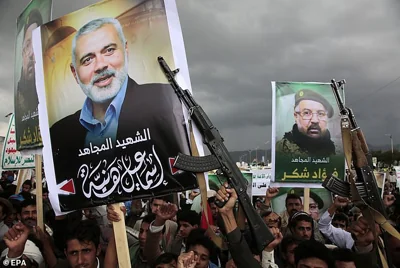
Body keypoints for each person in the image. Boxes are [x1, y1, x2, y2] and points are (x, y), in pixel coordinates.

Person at [49, 17, 196, 211]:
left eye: (109, 50)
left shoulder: (167, 100)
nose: (100, 65)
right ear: (75, 73)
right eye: (87, 59)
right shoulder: (60, 133)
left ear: (125, 52)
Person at [276, 89, 337, 157]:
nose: (315, 120)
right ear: (296, 116)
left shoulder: (338, 152)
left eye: (320, 114)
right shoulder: (281, 149)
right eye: (306, 113)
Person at [15, 9, 43, 138]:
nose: (32, 53)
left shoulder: (44, 94)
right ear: (22, 53)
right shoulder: (18, 98)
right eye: (28, 45)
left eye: (36, 45)